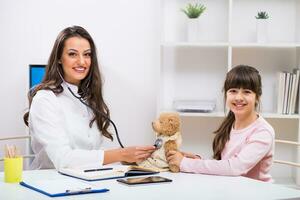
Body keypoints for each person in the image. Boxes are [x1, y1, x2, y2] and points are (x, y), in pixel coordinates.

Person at [23, 26, 155, 170]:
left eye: (87, 55)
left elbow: (91, 153)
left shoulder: (88, 98)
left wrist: (132, 158)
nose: (82, 62)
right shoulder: (45, 100)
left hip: (88, 182)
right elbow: (63, 159)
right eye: (73, 54)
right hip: (52, 184)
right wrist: (121, 154)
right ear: (59, 58)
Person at [167, 65, 275, 182]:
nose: (239, 97)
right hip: (232, 188)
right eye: (233, 91)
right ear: (226, 94)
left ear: (257, 97)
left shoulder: (263, 132)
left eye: (247, 92)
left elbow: (234, 167)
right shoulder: (230, 124)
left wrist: (185, 163)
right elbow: (225, 164)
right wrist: (198, 161)